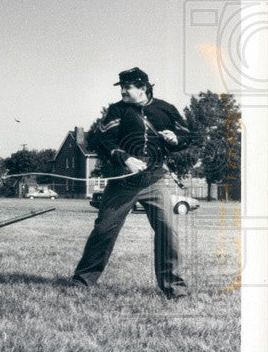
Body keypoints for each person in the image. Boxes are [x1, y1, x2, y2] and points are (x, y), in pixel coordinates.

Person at [72, 68, 193, 299]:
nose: (124, 91)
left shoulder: (166, 109)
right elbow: (102, 139)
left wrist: (176, 139)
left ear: (143, 88)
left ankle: (175, 289)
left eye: (128, 87)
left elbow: (187, 135)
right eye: (122, 87)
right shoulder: (116, 110)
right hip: (122, 183)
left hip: (154, 181)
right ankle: (82, 281)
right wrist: (124, 157)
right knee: (103, 230)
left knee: (167, 231)